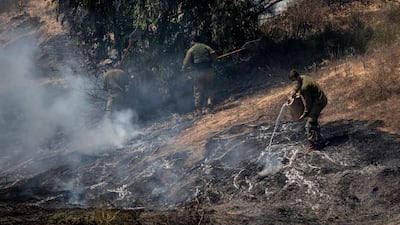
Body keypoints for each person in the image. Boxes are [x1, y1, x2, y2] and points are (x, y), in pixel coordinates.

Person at [288, 69, 328, 153]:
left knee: (309, 124)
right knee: (313, 119)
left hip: (319, 102)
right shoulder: (303, 77)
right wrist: (294, 91)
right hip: (319, 99)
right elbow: (298, 85)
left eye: (294, 80)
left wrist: (304, 114)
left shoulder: (305, 87)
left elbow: (308, 103)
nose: (294, 82)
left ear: (296, 77)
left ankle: (311, 145)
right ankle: (320, 138)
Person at [181, 35, 216, 115]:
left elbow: (185, 63)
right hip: (208, 70)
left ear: (192, 41)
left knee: (198, 90)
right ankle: (209, 101)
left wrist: (183, 69)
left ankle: (199, 110)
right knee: (210, 87)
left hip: (198, 72)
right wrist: (213, 61)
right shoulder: (205, 46)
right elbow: (213, 53)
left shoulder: (191, 50)